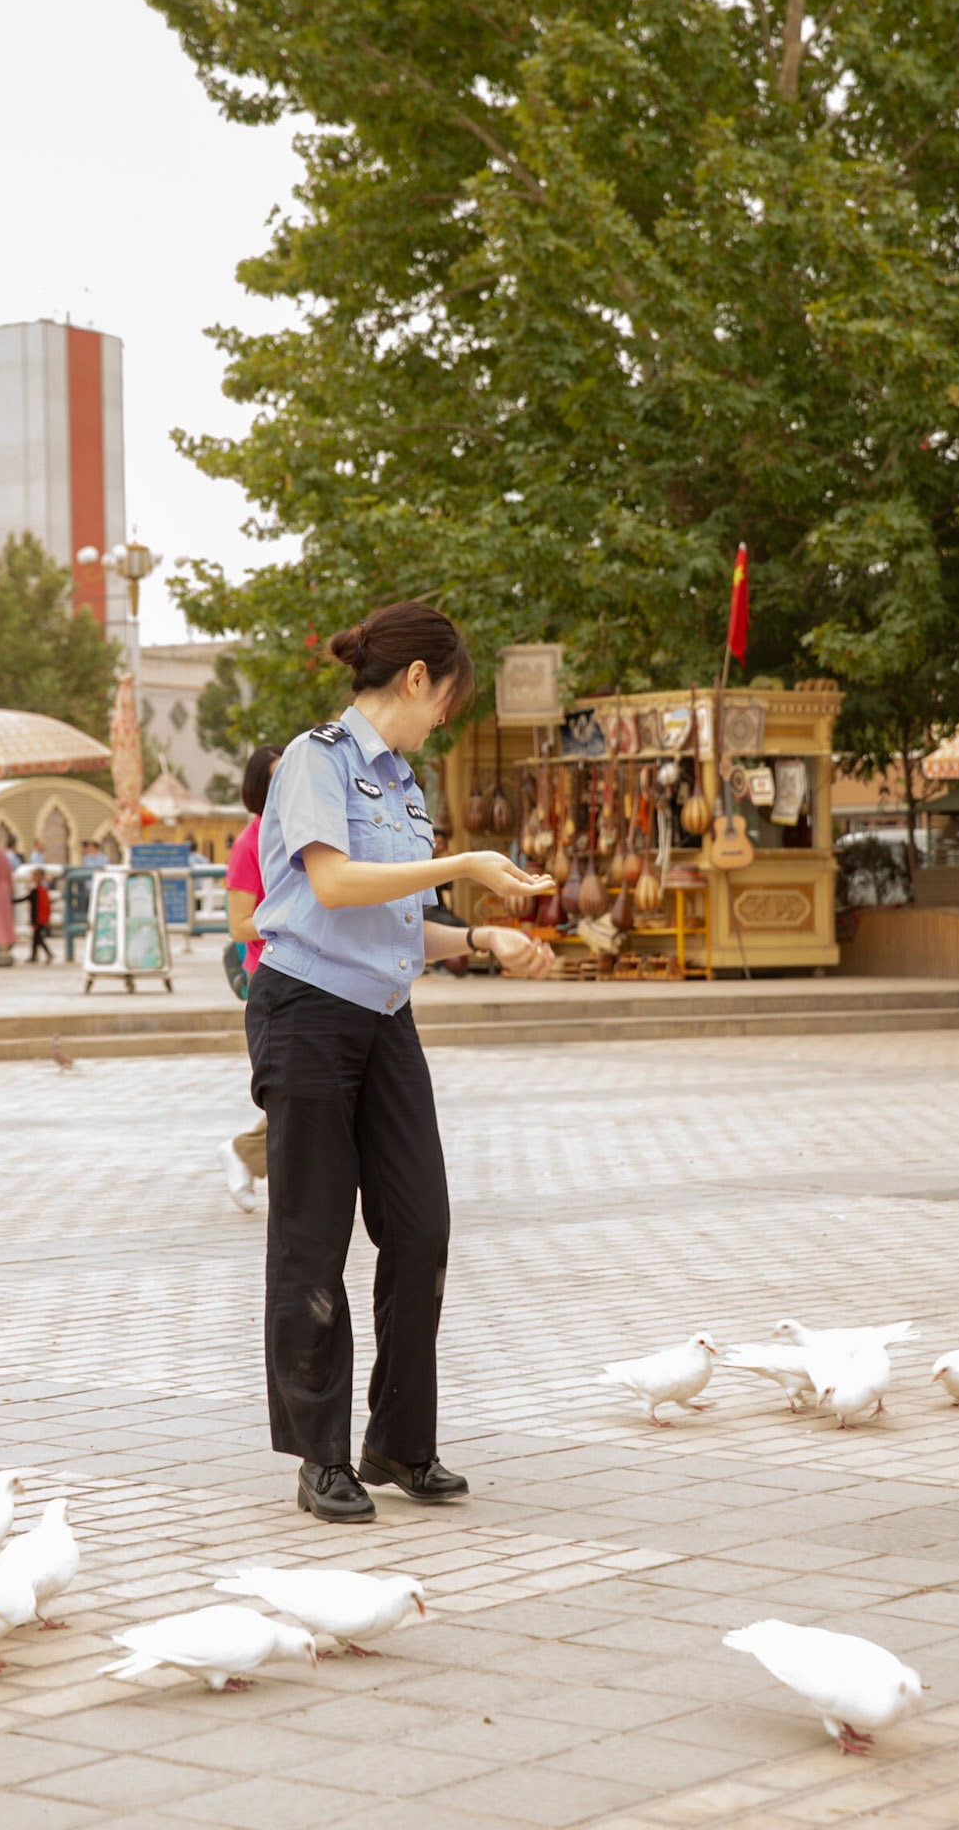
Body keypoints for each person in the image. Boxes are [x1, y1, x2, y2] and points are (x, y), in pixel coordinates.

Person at [247, 600, 555, 1524]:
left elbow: (388, 925)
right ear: (418, 678)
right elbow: (333, 885)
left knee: (419, 1227)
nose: (444, 718)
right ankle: (320, 1456)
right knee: (312, 1236)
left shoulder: (407, 788)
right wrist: (461, 863)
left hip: (382, 1016)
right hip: (304, 1012)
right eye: (447, 698)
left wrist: (481, 940)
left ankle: (398, 1441)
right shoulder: (316, 760)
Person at [218, 744, 282, 1211]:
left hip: (315, 973)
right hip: (272, 978)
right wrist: (295, 917)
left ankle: (248, 1153)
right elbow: (240, 924)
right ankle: (244, 1151)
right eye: (277, 778)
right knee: (296, 1089)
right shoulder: (249, 844)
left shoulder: (301, 832)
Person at [15, 867, 54, 963]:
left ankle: (43, 955)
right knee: (37, 939)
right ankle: (36, 956)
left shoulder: (38, 890)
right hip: (38, 917)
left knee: (37, 939)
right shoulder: (39, 890)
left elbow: (25, 899)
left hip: (38, 918)